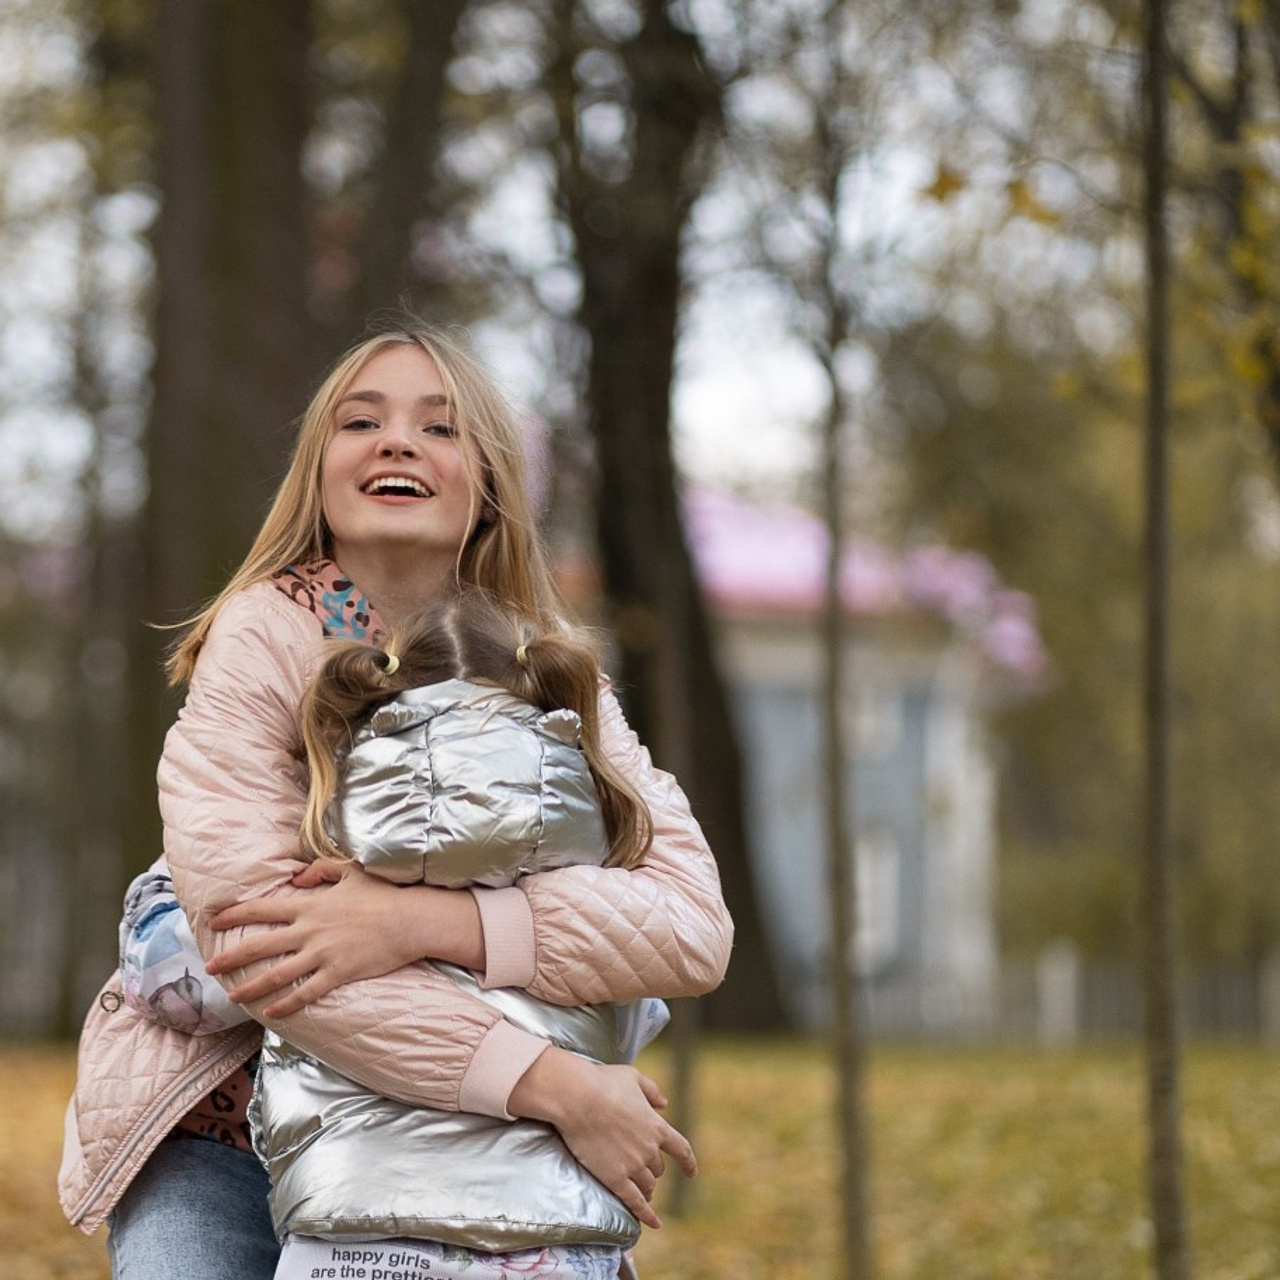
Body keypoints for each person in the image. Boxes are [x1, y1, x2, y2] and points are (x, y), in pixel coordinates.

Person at [58, 321, 734, 1280]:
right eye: (361, 421)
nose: (398, 442)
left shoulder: (544, 664)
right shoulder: (260, 638)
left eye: (440, 427)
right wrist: (558, 1085)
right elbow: (263, 949)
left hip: (476, 1149)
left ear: (488, 482)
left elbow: (690, 926)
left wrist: (422, 922)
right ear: (319, 470)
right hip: (229, 1136)